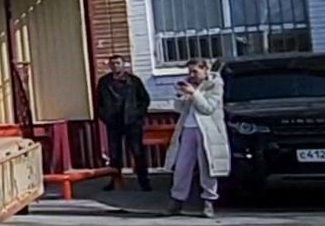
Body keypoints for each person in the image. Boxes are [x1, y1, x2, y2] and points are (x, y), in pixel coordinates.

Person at [166, 58, 228, 217]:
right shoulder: (190, 86)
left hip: (207, 130)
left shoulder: (215, 85)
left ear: (205, 70)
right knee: (182, 166)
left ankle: (209, 201)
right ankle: (177, 199)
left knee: (207, 166)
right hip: (188, 128)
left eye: (195, 71)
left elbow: (207, 108)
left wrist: (195, 93)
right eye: (189, 72)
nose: (192, 75)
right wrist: (181, 95)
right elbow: (179, 109)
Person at [94, 54, 153, 190]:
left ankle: (144, 181)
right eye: (113, 64)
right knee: (114, 154)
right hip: (113, 123)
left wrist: (137, 116)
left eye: (118, 63)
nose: (115, 66)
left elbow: (144, 100)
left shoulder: (134, 81)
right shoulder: (104, 82)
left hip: (132, 122)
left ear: (124, 64)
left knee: (137, 152)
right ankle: (115, 181)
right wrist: (105, 116)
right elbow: (98, 103)